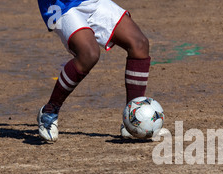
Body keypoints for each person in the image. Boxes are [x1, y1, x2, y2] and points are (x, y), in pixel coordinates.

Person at [37, 0, 151, 142]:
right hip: (59, 6)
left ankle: (132, 118)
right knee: (88, 54)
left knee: (139, 44)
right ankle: (50, 110)